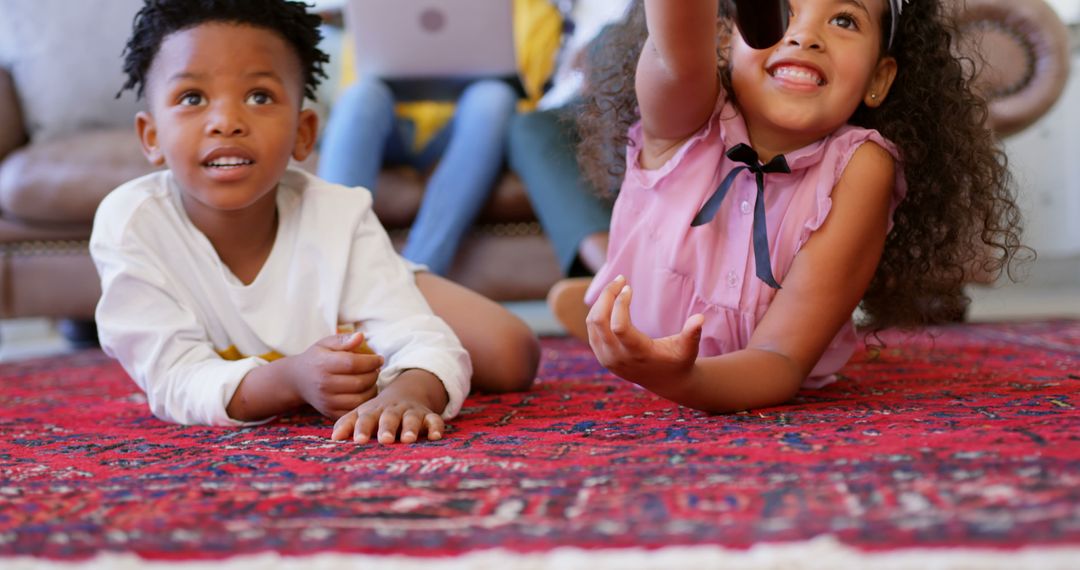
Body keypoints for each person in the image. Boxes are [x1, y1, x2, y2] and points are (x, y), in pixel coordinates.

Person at [92, 0, 540, 444]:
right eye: (192, 98)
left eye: (259, 96)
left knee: (511, 355)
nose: (226, 121)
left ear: (303, 132)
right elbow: (175, 380)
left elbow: (421, 339)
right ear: (151, 138)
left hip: (349, 281)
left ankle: (397, 278)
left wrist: (409, 391)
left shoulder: (338, 213)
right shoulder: (132, 224)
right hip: (314, 312)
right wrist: (290, 379)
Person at [553, 0, 1025, 413]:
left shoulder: (862, 165)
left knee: (629, 332)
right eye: (782, 10)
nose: (805, 36)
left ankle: (608, 320)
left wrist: (679, 378)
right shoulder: (685, 120)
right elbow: (676, 52)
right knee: (617, 318)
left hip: (753, 364)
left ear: (878, 78)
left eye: (843, 19)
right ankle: (609, 314)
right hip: (649, 320)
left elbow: (781, 359)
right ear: (722, 42)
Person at [317, 0, 563, 276]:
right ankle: (332, 266)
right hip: (394, 126)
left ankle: (417, 274)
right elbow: (360, 74)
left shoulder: (531, 7)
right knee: (362, 95)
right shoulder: (382, 7)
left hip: (464, 133)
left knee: (494, 97)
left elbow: (527, 92)